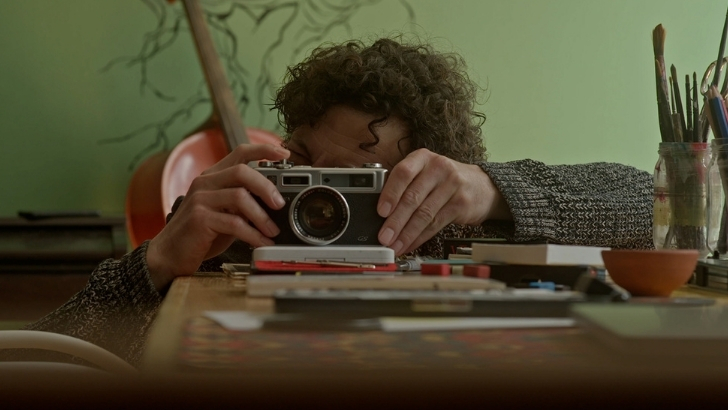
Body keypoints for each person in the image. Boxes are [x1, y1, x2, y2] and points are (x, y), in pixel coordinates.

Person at [2, 36, 653, 367]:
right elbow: (42, 359)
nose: (320, 203)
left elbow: (654, 207)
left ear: (433, 182)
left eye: (359, 184)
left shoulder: (461, 235)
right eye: (305, 167)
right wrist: (156, 265)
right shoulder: (241, 230)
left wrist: (494, 190)